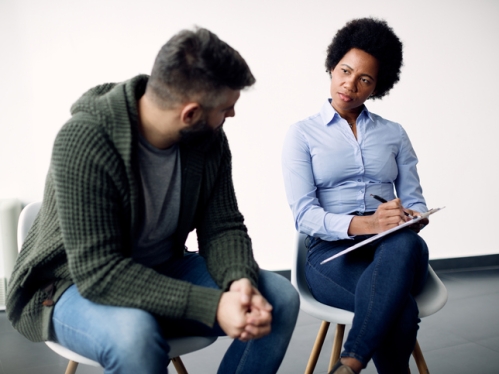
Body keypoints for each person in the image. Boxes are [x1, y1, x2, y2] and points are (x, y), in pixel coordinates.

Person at [7, 27, 299, 374]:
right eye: (226, 108)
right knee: (135, 335)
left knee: (278, 299)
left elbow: (222, 227)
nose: (231, 116)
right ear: (190, 114)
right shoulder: (85, 139)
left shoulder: (208, 140)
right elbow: (100, 273)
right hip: (72, 284)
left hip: (163, 266)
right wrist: (214, 305)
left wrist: (240, 282)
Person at [282, 18, 429, 374]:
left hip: (393, 249)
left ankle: (349, 363)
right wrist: (367, 223)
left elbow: (415, 198)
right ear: (332, 67)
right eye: (345, 71)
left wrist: (414, 216)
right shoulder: (301, 134)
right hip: (331, 254)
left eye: (365, 79)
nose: (350, 85)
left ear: (377, 87)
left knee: (405, 244)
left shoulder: (393, 134)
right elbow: (305, 216)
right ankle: (354, 362)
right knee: (402, 311)